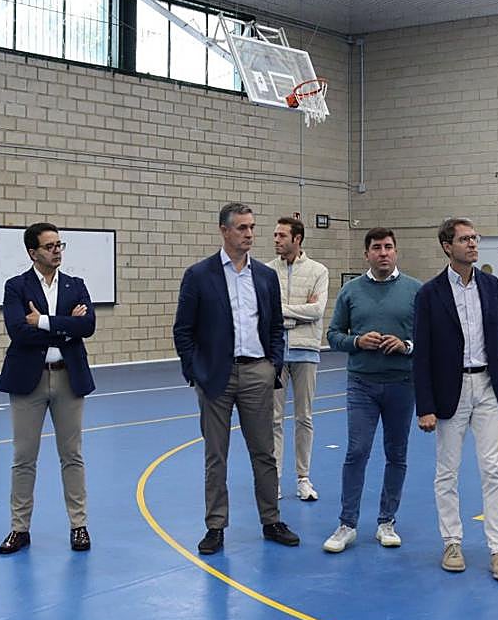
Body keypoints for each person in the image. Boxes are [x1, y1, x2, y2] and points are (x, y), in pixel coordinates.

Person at [173, 202, 300, 555]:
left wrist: (273, 365)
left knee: (264, 453)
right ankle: (215, 526)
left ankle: (271, 520)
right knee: (216, 455)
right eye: (242, 228)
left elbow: (275, 325)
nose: (249, 234)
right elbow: (183, 331)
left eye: (251, 227)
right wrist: (195, 372)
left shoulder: (264, 276)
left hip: (258, 372)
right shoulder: (199, 275)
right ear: (224, 230)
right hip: (215, 377)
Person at [414, 218, 498, 580]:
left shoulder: (490, 286)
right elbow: (422, 354)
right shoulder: (429, 294)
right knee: (447, 470)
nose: (473, 244)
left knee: (494, 469)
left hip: (488, 386)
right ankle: (452, 542)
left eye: (475, 238)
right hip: (450, 390)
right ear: (447, 246)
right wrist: (424, 406)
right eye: (465, 239)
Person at [0, 222, 96, 555]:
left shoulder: (75, 285)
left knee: (72, 455)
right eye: (50, 246)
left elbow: (88, 325)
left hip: (69, 377)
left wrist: (42, 321)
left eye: (59, 244)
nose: (57, 250)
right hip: (29, 379)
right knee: (24, 458)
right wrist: (67, 327)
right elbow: (18, 332)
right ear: (33, 252)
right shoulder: (16, 287)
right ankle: (19, 529)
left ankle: (79, 525)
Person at [322, 228, 421, 553]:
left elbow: (428, 339)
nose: (383, 253)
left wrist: (406, 345)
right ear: (367, 254)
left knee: (397, 455)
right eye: (376, 248)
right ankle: (347, 524)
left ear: (396, 251)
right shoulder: (351, 291)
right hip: (361, 385)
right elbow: (334, 334)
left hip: (402, 386)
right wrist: (357, 342)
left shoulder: (414, 291)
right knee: (357, 451)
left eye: (388, 247)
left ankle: (386, 522)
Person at [268, 216, 330, 502]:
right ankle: (275, 479)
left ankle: (303, 478)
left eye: (282, 236)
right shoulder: (266, 272)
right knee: (274, 419)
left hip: (307, 352)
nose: (276, 240)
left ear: (297, 239)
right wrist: (295, 312)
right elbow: (266, 312)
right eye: (276, 235)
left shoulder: (319, 271)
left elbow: (317, 311)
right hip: (275, 353)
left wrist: (283, 313)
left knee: (304, 417)